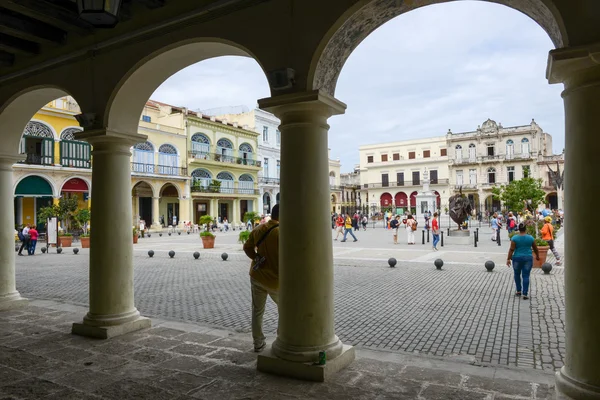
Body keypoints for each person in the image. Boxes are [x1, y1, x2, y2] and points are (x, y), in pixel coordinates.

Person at [243, 204, 280, 352]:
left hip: (257, 276)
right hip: (275, 280)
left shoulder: (259, 228)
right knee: (285, 310)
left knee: (257, 311)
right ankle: (282, 338)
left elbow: (247, 247)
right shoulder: (283, 232)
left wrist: (257, 257)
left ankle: (258, 342)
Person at [507, 223, 540, 300]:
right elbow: (535, 248)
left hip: (517, 258)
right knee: (526, 275)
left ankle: (518, 291)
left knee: (517, 274)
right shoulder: (530, 238)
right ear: (526, 229)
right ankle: (525, 293)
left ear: (518, 229)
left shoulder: (514, 238)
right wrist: (537, 256)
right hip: (528, 258)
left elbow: (511, 249)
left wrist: (508, 259)